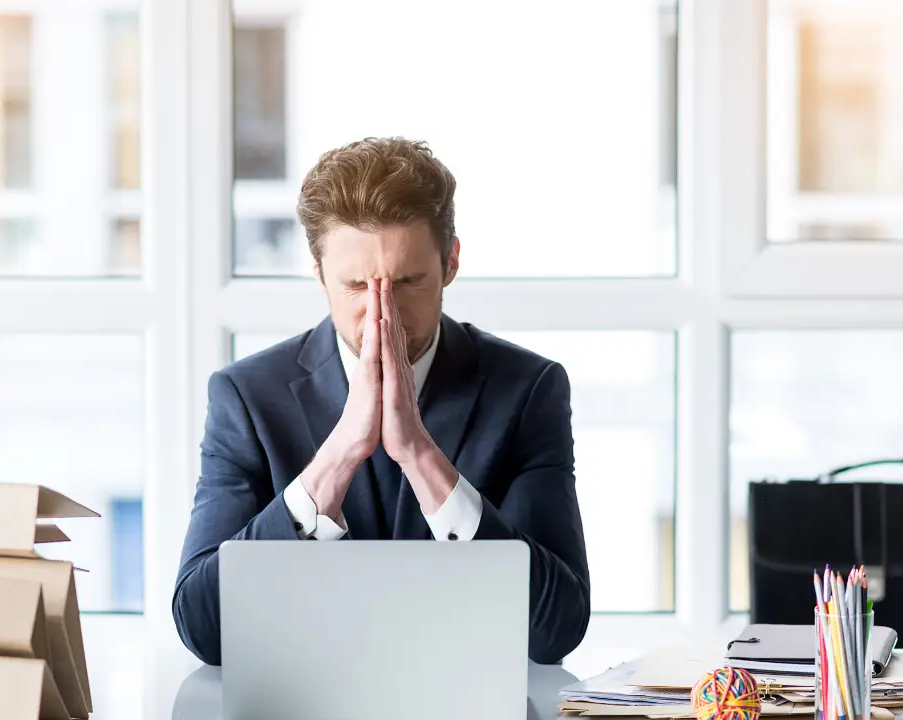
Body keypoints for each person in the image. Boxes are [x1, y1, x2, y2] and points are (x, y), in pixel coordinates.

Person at [172, 137, 590, 666]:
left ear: (451, 263)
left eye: (409, 282)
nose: (381, 314)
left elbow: (555, 631)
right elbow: (205, 630)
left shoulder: (528, 390)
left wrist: (419, 453)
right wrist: (338, 457)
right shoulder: (248, 397)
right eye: (354, 286)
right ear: (319, 271)